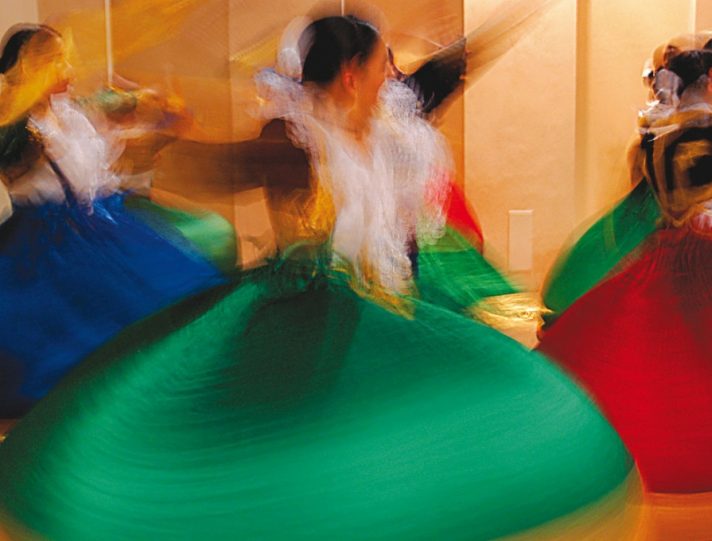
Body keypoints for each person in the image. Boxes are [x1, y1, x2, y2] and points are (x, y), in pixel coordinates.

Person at [0, 16, 639, 540]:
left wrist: (500, 31)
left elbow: (440, 79)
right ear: (353, 73)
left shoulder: (392, 127)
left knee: (412, 434)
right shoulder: (296, 136)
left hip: (389, 308)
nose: (392, 74)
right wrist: (164, 141)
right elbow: (227, 169)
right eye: (382, 63)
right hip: (315, 315)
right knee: (321, 452)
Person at [0, 24, 228, 416]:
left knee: (174, 287)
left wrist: (154, 122)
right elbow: (18, 170)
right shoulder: (19, 131)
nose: (68, 69)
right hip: (45, 241)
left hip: (94, 223)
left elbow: (103, 172)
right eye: (55, 61)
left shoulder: (72, 116)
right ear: (30, 68)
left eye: (65, 59)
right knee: (73, 335)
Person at [538, 41, 712, 494]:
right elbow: (691, 208)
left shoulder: (664, 128)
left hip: (666, 252)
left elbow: (657, 197)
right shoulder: (699, 132)